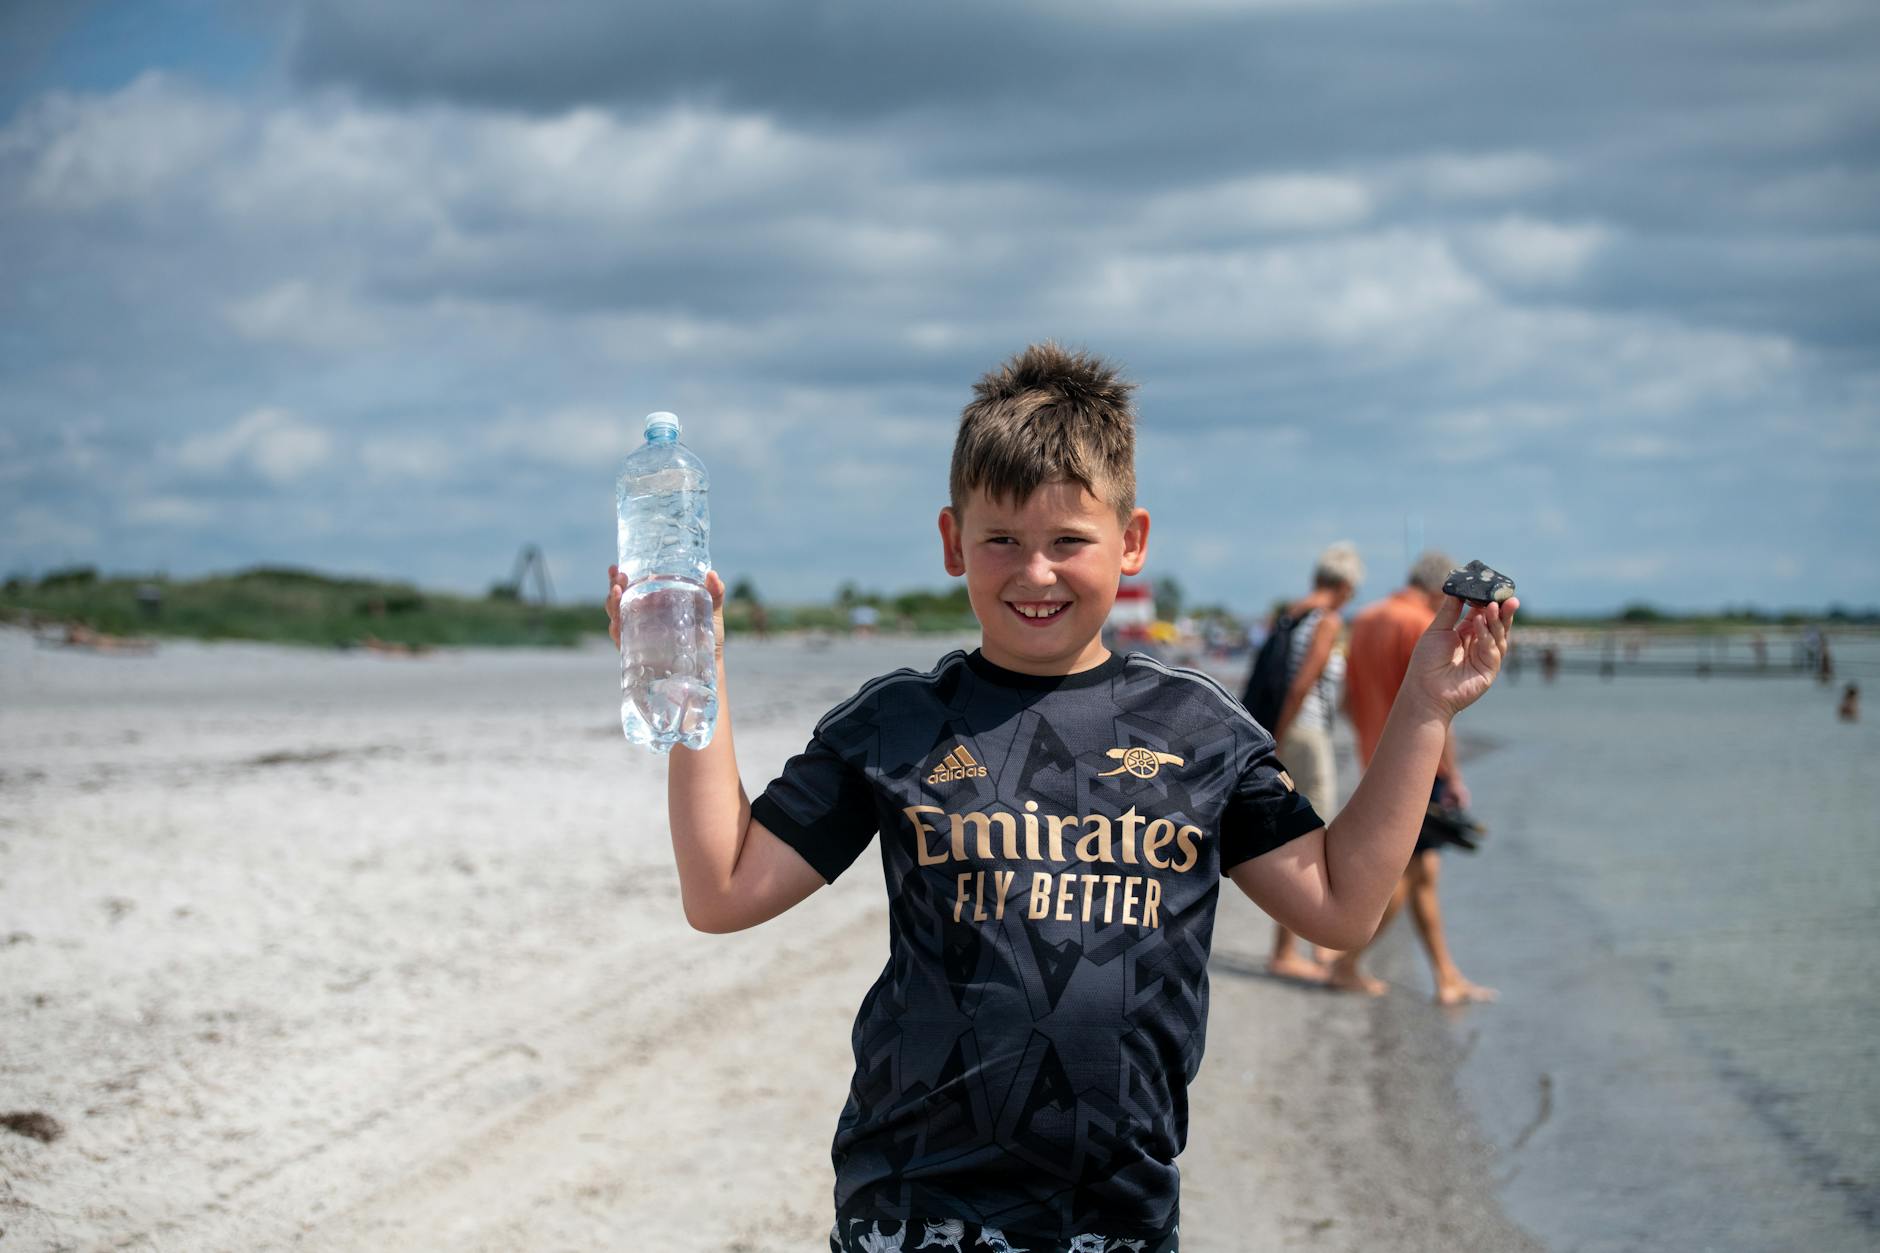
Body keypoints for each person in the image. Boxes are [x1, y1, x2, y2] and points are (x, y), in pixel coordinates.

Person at [605, 345, 1516, 1251]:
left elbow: (1341, 904)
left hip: (1112, 1218)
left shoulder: (1197, 730)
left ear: (1133, 540)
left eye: (1068, 541)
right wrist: (695, 665)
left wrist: (1425, 705)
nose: (1034, 573)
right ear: (953, 541)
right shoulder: (898, 726)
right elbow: (721, 891)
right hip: (912, 1212)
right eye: (1001, 539)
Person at [1325, 552, 1497, 1004]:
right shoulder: (1422, 623)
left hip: (1375, 761)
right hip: (1420, 769)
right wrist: (1454, 774)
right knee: (1401, 878)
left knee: (1421, 874)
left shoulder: (1365, 619)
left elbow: (1347, 701)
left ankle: (1445, 976)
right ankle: (1345, 963)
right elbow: (1442, 707)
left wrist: (1370, 738)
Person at [1264, 543, 1363, 985]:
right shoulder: (1326, 620)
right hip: (1304, 734)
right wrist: (1278, 738)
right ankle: (1291, 948)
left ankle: (1302, 943)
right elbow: (1302, 684)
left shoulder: (1294, 613)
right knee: (1310, 839)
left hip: (1292, 732)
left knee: (1295, 836)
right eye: (1351, 592)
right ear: (1342, 587)